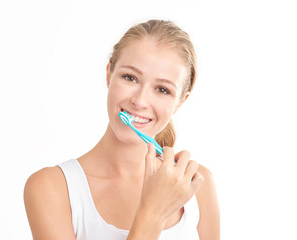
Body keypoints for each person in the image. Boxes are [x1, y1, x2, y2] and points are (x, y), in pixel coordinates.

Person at [24, 19, 220, 240]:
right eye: (130, 78)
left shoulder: (198, 183)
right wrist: (152, 213)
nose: (140, 100)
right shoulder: (52, 188)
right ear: (109, 75)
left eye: (162, 89)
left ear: (180, 102)